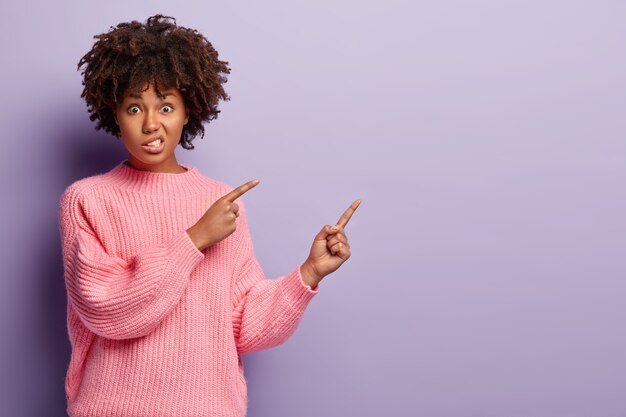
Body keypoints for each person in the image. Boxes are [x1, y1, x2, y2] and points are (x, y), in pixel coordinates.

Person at [58, 14, 360, 417]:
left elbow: (244, 326)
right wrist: (194, 238)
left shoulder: (221, 201)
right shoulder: (87, 200)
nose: (151, 124)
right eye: (134, 107)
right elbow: (107, 311)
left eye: (166, 106)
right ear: (115, 113)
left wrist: (308, 273)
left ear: (187, 112)